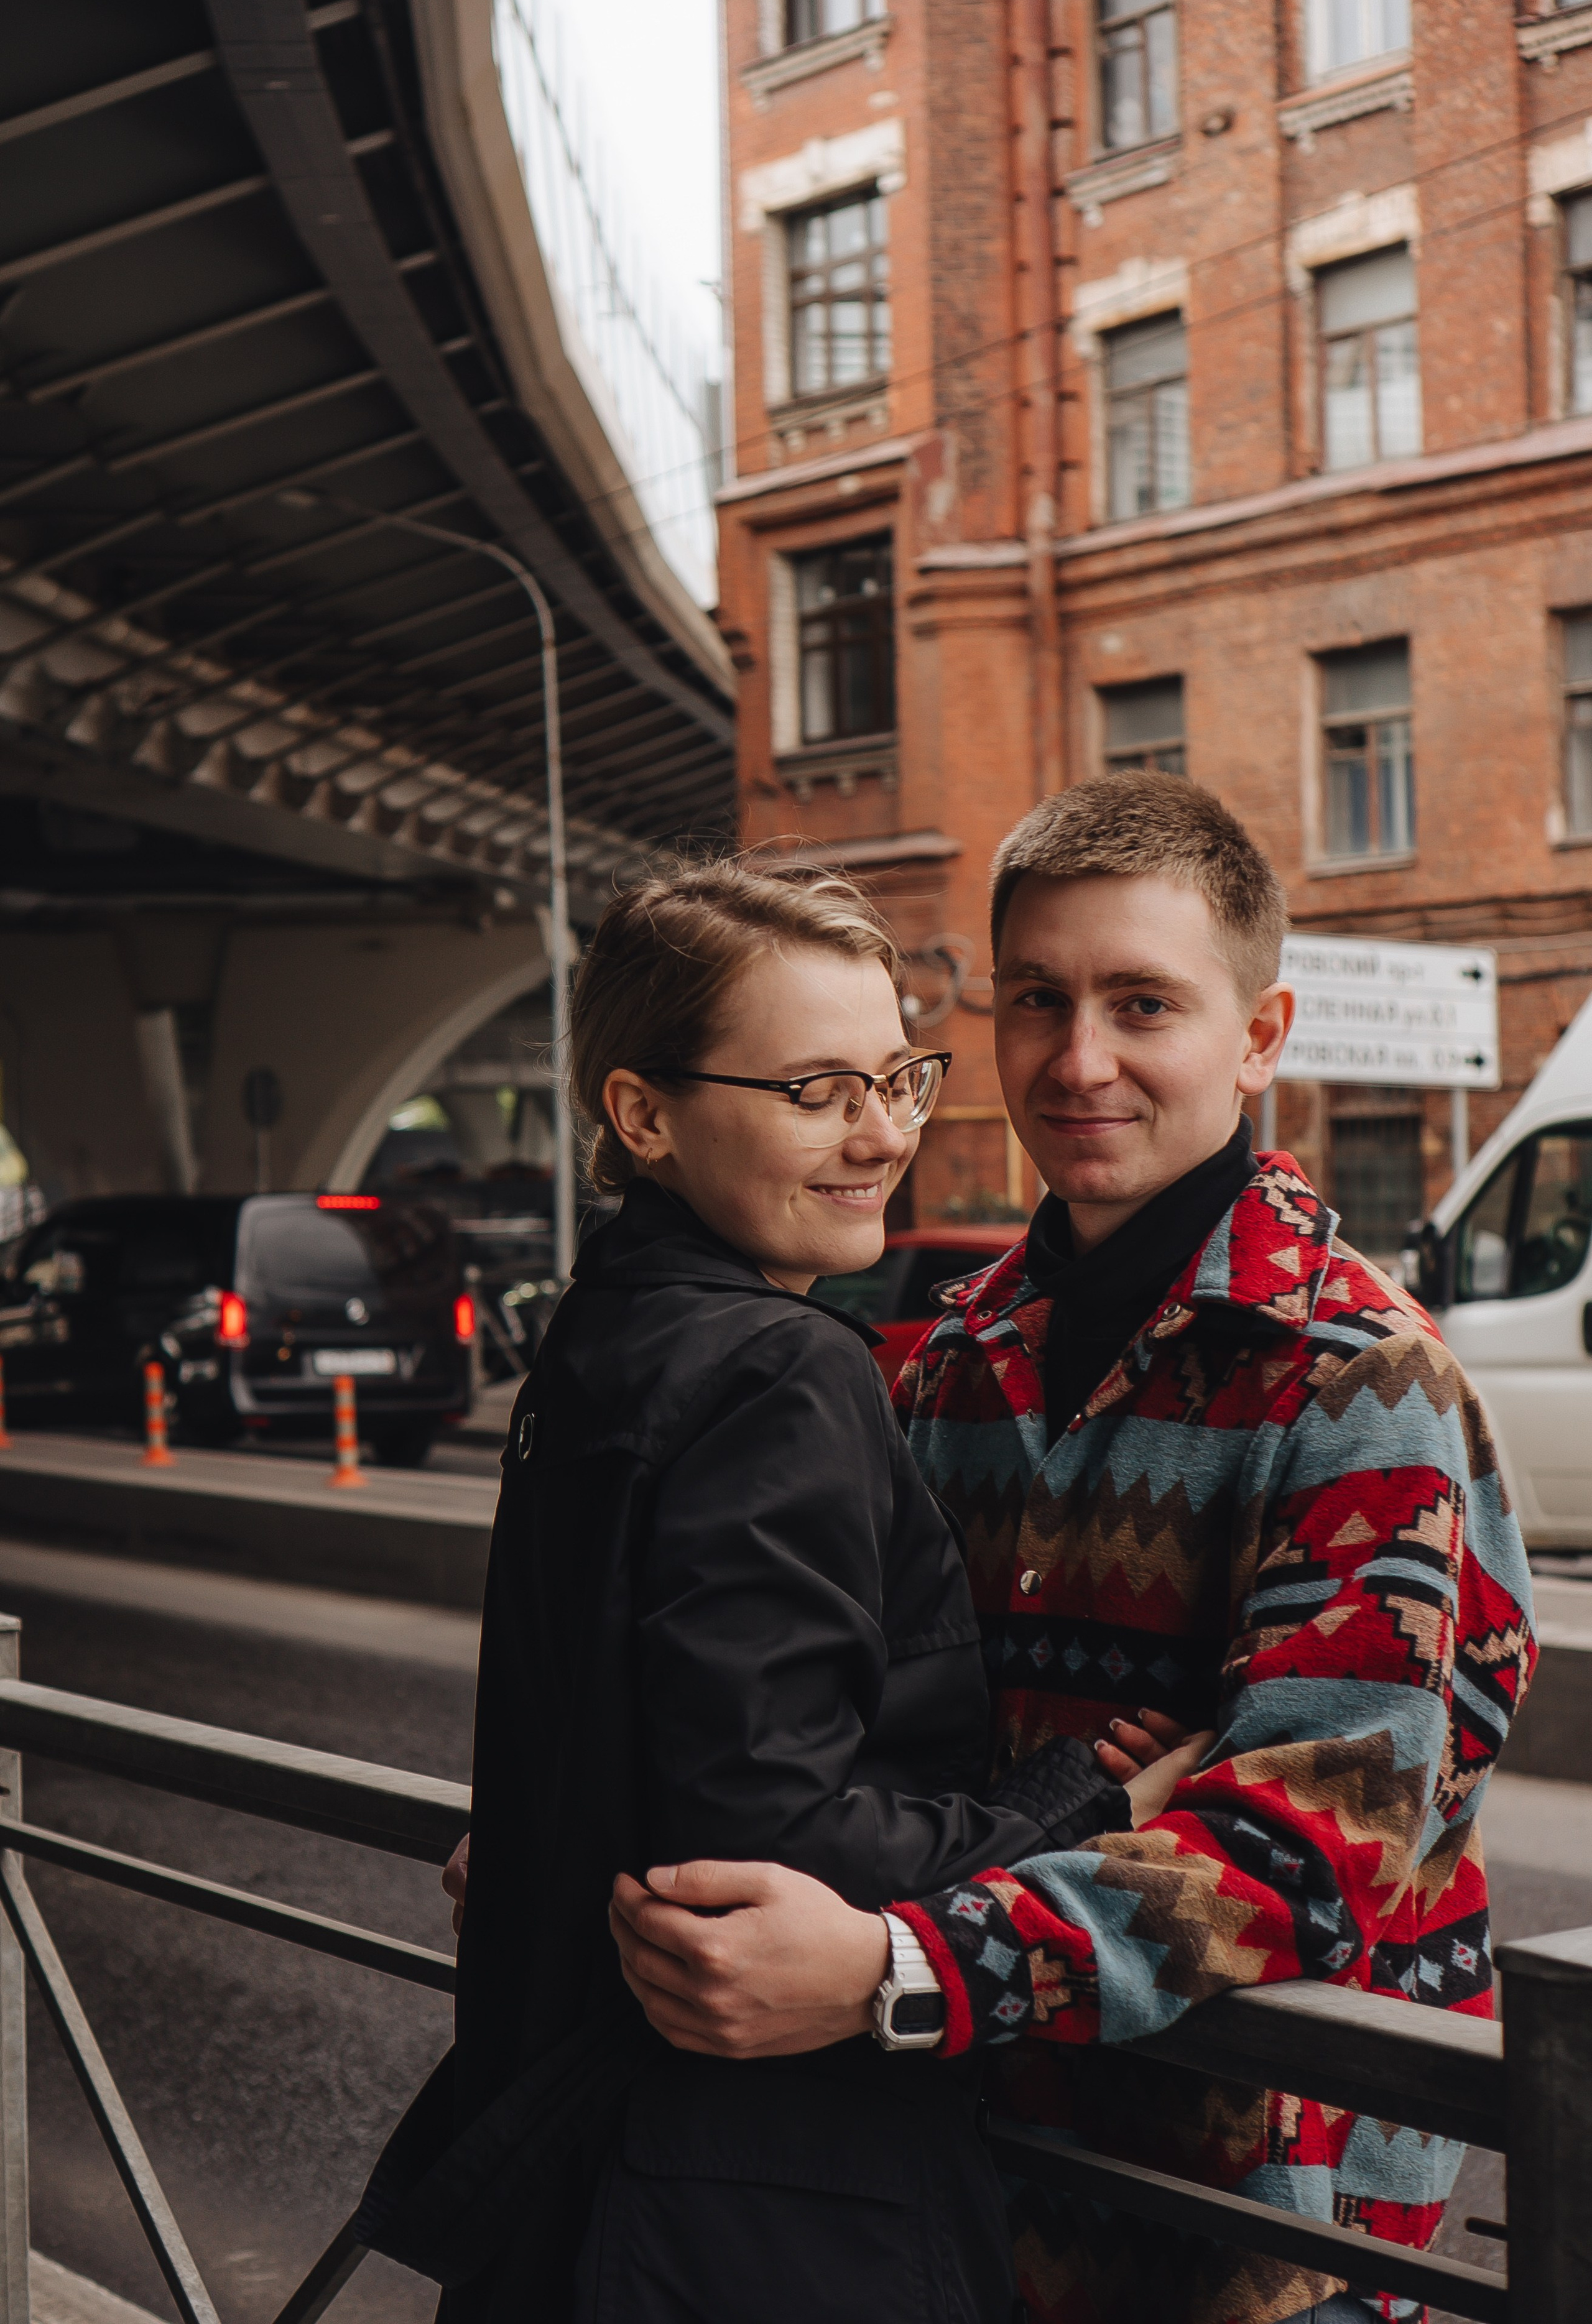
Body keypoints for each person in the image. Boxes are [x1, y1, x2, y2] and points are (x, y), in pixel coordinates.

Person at [609, 778, 1538, 2324]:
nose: (1077, 1058)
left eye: (1140, 1003)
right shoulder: (948, 1361)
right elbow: (812, 1722)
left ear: (1256, 1034)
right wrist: (593, 1824)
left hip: (1258, 2232)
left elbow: (1303, 1849)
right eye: (1036, 999)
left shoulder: (1358, 1382)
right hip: (959, 2178)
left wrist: (899, 1971)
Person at [425, 859, 1209, 2324]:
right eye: (814, 1091)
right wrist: (1077, 1812)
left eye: (896, 1076)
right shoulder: (785, 1368)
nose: (881, 1136)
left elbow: (621, 1719)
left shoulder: (600, 1338)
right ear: (642, 1113)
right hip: (754, 2192)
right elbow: (764, 1834)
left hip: (574, 2161)